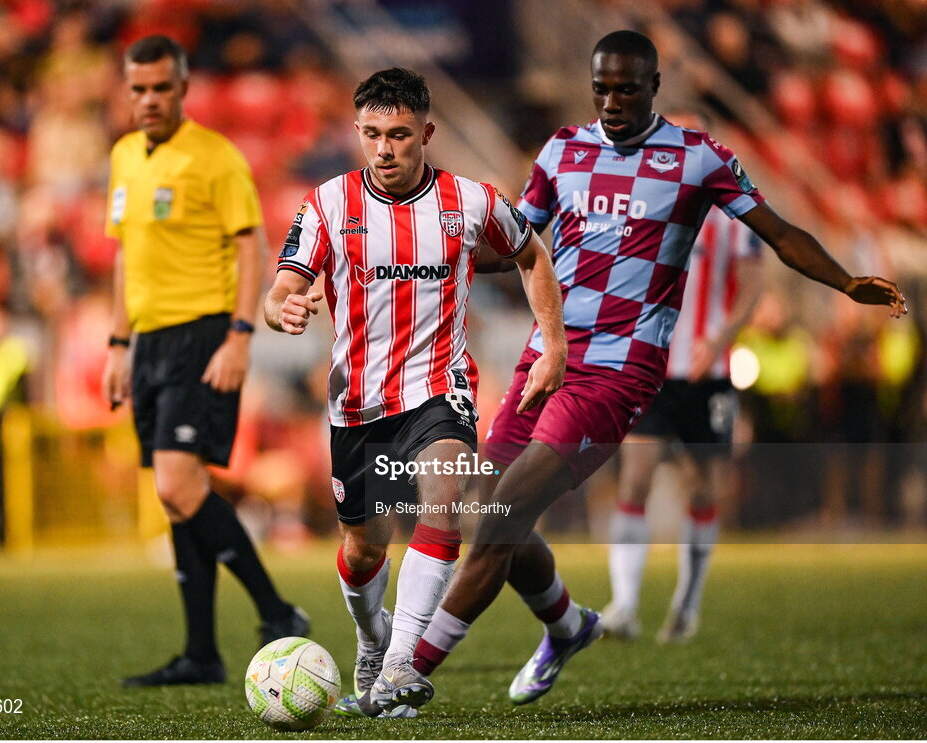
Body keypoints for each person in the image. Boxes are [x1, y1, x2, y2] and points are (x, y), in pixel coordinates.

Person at [374, 29, 906, 714]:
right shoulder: (563, 149)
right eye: (602, 88)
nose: (613, 101)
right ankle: (568, 625)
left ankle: (404, 676)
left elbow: (777, 231)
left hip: (620, 371)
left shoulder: (698, 159)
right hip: (549, 356)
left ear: (655, 86)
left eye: (627, 88)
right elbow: (516, 246)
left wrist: (844, 281)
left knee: (504, 514)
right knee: (491, 506)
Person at [263, 67, 566, 717]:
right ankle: (373, 642)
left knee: (443, 496)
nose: (384, 148)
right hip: (356, 405)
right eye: (372, 134)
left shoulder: (471, 201)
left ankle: (402, 658)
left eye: (399, 134)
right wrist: (284, 308)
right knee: (364, 546)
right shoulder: (327, 204)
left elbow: (532, 254)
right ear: (357, 133)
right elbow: (280, 287)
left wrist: (555, 342)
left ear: (426, 133)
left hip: (439, 387)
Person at [102, 35, 307, 688]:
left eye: (162, 87)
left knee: (176, 484)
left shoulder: (215, 157)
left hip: (202, 332)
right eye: (139, 88)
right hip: (150, 343)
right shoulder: (123, 157)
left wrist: (240, 335)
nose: (150, 100)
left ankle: (278, 611)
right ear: (127, 91)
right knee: (179, 496)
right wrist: (116, 343)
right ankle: (201, 652)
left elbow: (251, 248)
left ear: (184, 87)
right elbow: (124, 255)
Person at [604, 202, 763, 644]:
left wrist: (719, 340)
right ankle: (625, 606)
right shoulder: (643, 209)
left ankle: (687, 605)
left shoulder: (732, 223)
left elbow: (753, 287)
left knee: (702, 487)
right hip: (649, 370)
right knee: (634, 478)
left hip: (707, 374)